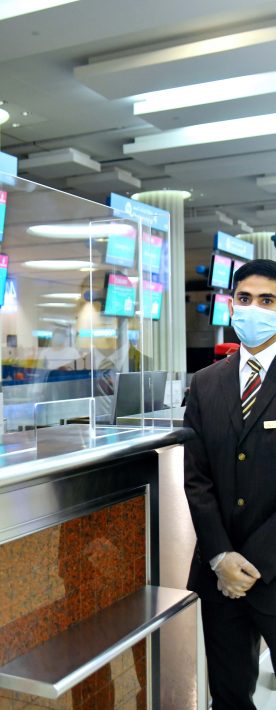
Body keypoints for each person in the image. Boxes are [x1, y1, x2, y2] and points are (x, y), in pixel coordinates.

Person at [183, 258, 276, 709]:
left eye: (267, 300)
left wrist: (248, 563)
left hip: (272, 568)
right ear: (230, 305)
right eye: (245, 299)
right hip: (220, 578)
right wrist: (220, 556)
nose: (253, 308)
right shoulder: (205, 384)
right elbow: (196, 479)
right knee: (230, 696)